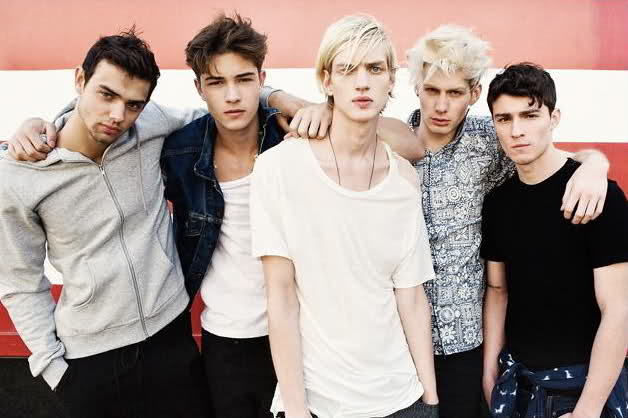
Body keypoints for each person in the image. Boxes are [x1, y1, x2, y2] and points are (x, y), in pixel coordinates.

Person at [267, 24, 610, 418]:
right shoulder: (386, 142)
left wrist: (595, 164)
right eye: (432, 90)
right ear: (415, 87)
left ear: (474, 94)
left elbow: (552, 158)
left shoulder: (490, 141)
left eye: (454, 93)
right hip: (393, 345)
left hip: (464, 341)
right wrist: (320, 110)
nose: (441, 106)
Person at [0, 30, 209, 418]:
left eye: (133, 104)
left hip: (171, 339)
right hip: (91, 363)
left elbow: (225, 111)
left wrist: (280, 98)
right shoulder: (20, 175)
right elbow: (19, 282)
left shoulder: (151, 125)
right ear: (80, 79)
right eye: (106, 95)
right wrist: (54, 370)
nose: (118, 116)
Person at [250, 14, 438, 418]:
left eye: (375, 69)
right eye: (347, 69)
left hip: (400, 398)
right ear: (327, 81)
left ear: (391, 80)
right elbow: (280, 296)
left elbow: (410, 296)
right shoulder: (278, 169)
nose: (362, 82)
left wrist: (430, 400)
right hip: (317, 402)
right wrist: (296, 409)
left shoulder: (403, 179)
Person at [481, 63, 628, 418]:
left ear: (554, 117)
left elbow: (619, 309)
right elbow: (498, 290)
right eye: (504, 119)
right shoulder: (498, 202)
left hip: (582, 388)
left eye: (530, 115)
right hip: (518, 385)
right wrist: (489, 373)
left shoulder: (598, 195)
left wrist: (588, 409)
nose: (517, 130)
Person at [160, 14, 283, 418]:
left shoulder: (292, 139)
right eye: (216, 82)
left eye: (243, 79)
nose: (232, 96)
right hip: (224, 340)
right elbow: (110, 127)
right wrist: (48, 125)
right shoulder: (180, 151)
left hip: (296, 332)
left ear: (261, 79)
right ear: (199, 88)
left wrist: (286, 101)